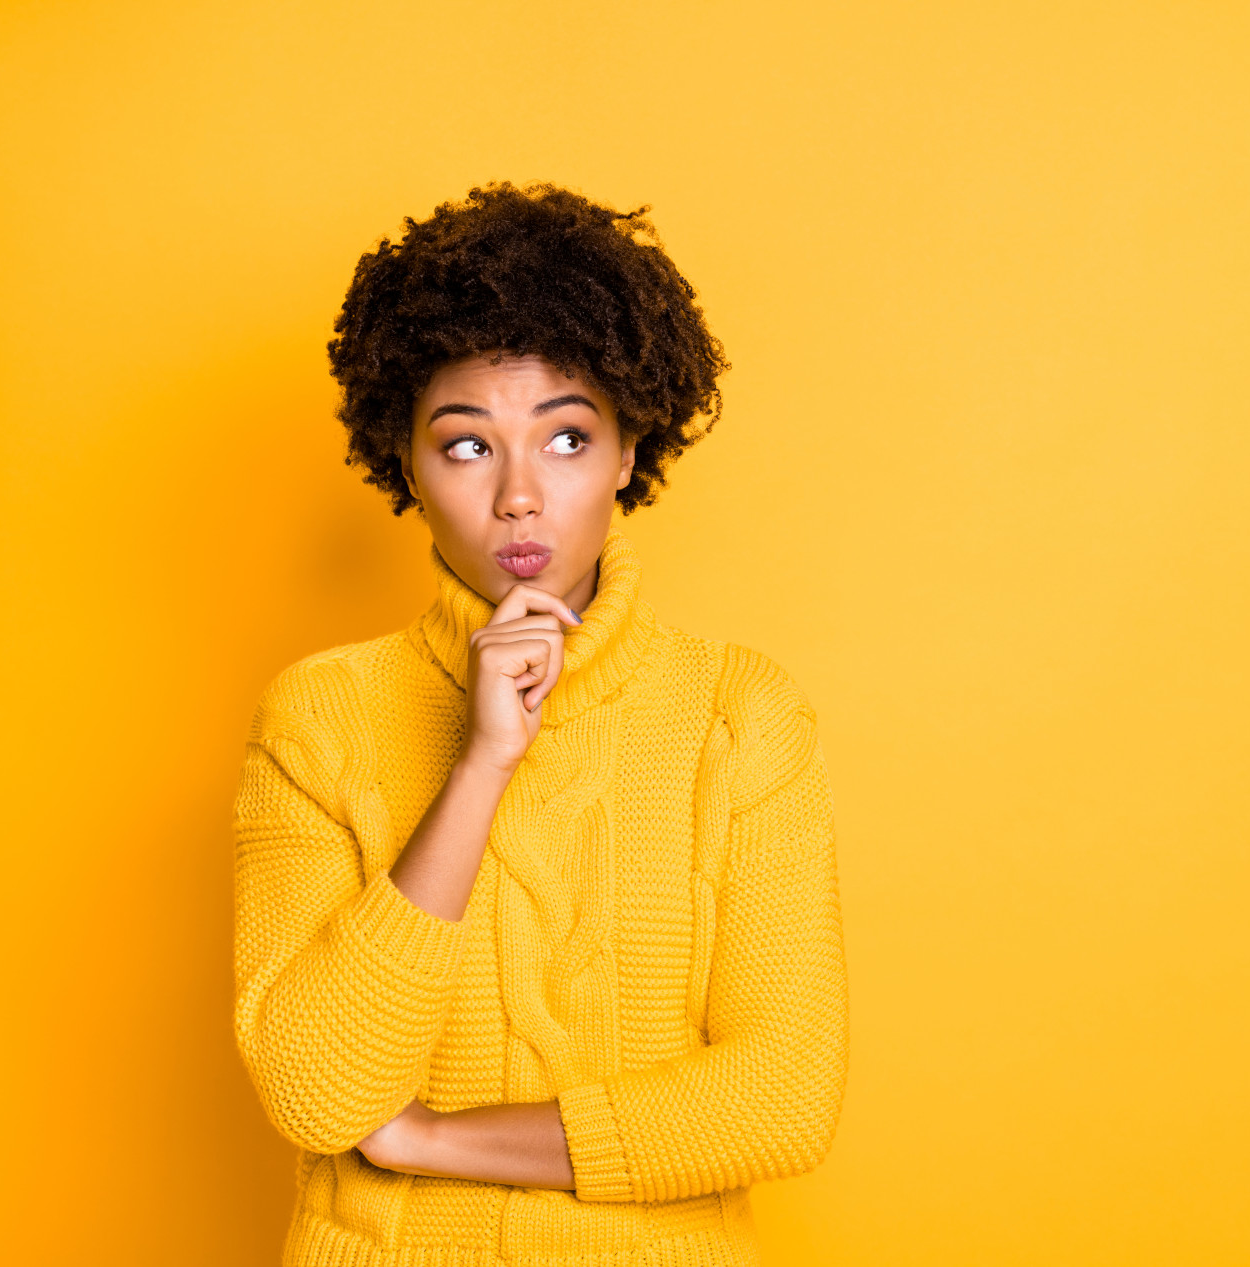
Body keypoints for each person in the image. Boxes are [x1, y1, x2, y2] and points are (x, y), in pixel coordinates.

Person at [232, 182, 849, 1266]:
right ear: (405, 466)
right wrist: (482, 763)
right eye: (466, 446)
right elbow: (318, 1088)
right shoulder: (317, 718)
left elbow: (781, 1096)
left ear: (627, 453)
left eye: (565, 438)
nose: (519, 493)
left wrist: (429, 1139)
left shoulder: (741, 716)